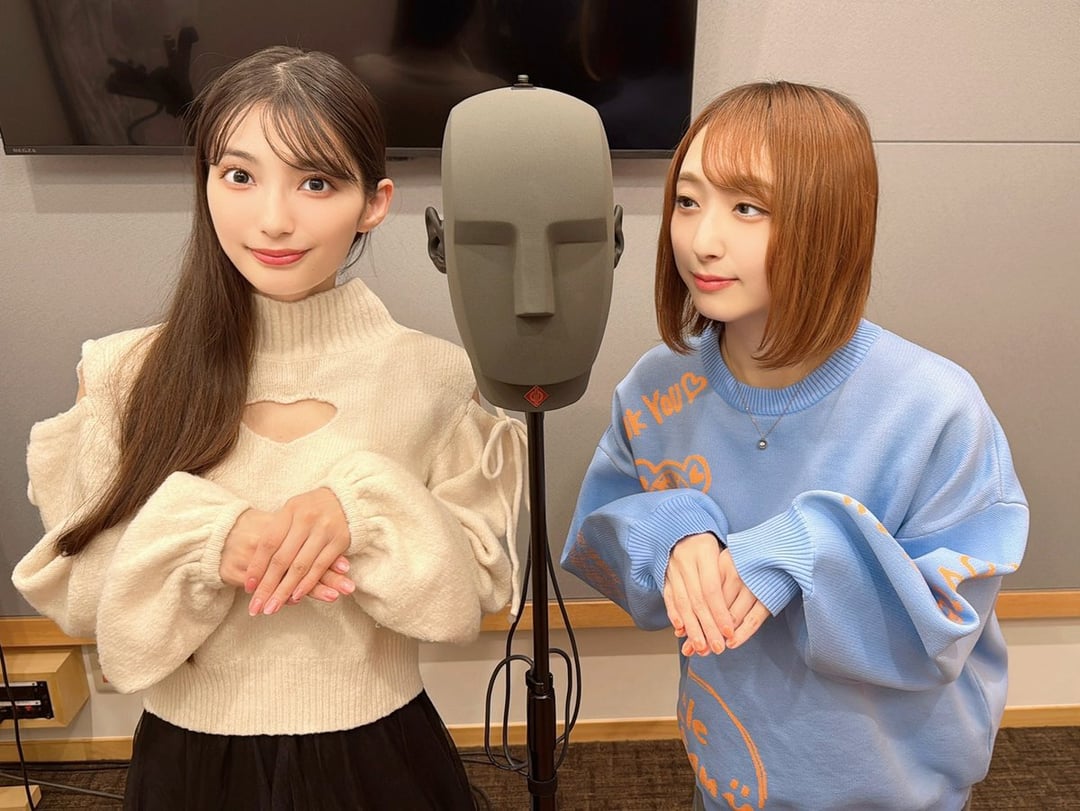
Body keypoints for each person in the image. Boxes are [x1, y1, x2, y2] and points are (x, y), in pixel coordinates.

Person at [13, 46, 524, 810]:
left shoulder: (437, 375)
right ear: (205, 182)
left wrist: (362, 512)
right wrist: (208, 540)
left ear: (374, 202)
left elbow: (477, 592)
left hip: (381, 757)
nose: (274, 219)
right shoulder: (122, 371)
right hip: (188, 769)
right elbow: (80, 597)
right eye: (240, 176)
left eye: (316, 182)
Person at [561, 81, 1027, 810]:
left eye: (748, 208)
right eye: (688, 201)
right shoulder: (657, 388)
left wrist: (802, 549)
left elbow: (946, 621)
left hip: (894, 791)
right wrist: (675, 530)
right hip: (731, 779)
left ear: (829, 221)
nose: (702, 239)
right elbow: (603, 531)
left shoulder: (933, 406)